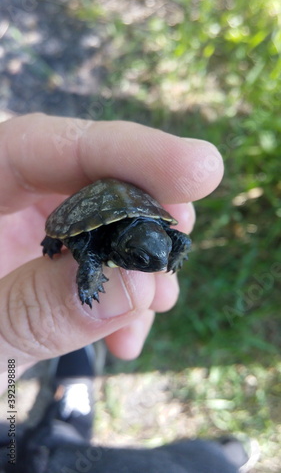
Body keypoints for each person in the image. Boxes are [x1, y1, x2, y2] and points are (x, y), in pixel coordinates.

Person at [0, 114, 251, 471]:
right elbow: (86, 248)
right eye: (144, 260)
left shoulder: (158, 235)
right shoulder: (102, 243)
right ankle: (66, 422)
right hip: (100, 221)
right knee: (75, 242)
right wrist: (86, 282)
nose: (156, 263)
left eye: (160, 255)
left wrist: (170, 255)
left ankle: (63, 421)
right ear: (124, 251)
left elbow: (180, 238)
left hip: (140, 218)